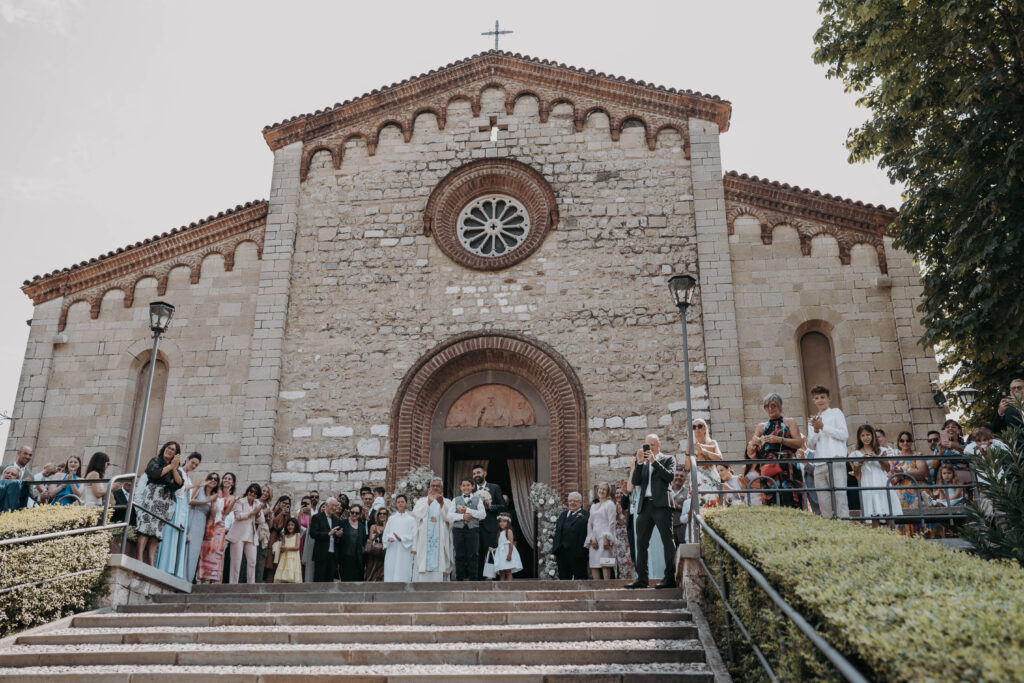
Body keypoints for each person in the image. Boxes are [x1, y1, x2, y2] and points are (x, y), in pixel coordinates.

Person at [625, 434, 677, 590]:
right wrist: (640, 463)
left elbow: (669, 477)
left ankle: (669, 577)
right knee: (641, 543)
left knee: (667, 541)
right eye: (647, 445)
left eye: (653, 445)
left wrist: (654, 461)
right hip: (645, 505)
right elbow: (635, 482)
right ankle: (642, 578)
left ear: (659, 444)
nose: (650, 448)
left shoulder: (668, 459)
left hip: (661, 505)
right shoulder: (645, 463)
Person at [749, 393, 804, 508]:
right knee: (771, 500)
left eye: (773, 405)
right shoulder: (761, 427)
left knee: (791, 500)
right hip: (768, 468)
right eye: (766, 406)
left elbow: (799, 443)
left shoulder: (790, 422)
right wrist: (754, 442)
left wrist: (779, 440)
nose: (770, 409)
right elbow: (752, 449)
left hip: (788, 466)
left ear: (780, 406)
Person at [136, 442, 183, 566]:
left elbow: (179, 483)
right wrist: (170, 466)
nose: (170, 451)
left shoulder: (176, 468)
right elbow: (154, 473)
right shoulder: (155, 461)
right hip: (152, 496)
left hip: (165, 501)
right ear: (164, 448)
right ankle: (139, 558)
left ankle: (151, 562)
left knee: (156, 532)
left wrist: (173, 467)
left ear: (176, 454)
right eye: (169, 448)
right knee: (145, 527)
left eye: (173, 450)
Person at [806, 385, 850, 519]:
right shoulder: (813, 420)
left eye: (822, 397)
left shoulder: (836, 413)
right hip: (819, 463)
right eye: (816, 398)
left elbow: (843, 435)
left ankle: (845, 527)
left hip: (835, 460)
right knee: (823, 500)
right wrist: (815, 429)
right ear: (813, 401)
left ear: (829, 398)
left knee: (840, 497)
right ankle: (830, 529)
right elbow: (810, 445)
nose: (820, 400)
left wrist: (823, 426)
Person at [155, 451, 201, 577]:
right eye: (193, 463)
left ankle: (174, 569)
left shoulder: (188, 477)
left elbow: (189, 498)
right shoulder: (178, 471)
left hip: (184, 509)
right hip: (175, 505)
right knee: (170, 534)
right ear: (187, 459)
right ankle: (165, 567)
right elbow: (178, 489)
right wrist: (193, 486)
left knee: (178, 538)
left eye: (196, 465)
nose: (194, 466)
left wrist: (196, 487)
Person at [851, 425, 902, 528]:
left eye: (868, 434)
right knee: (874, 514)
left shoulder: (882, 450)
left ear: (873, 435)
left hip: (881, 482)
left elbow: (887, 468)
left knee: (888, 512)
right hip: (868, 484)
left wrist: (877, 458)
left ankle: (893, 538)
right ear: (859, 438)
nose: (866, 437)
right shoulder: (855, 454)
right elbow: (857, 475)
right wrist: (860, 463)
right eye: (863, 435)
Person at [196, 472, 235, 583]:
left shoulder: (232, 498)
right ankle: (203, 576)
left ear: (233, 482)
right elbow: (213, 509)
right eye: (225, 478)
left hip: (221, 525)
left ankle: (213, 577)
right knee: (207, 549)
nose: (227, 480)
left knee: (217, 552)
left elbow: (226, 513)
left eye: (229, 479)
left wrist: (232, 501)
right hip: (211, 522)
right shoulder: (217, 492)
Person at [413, 478, 454, 581]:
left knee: (441, 560)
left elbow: (450, 518)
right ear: (430, 487)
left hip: (441, 538)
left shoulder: (447, 501)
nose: (435, 488)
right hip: (425, 538)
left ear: (441, 488)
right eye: (433, 486)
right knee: (423, 559)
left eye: (438, 486)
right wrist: (428, 503)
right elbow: (416, 515)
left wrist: (442, 505)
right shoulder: (422, 501)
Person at [226, 483, 266, 584]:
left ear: (257, 495)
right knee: (236, 562)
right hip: (238, 535)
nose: (252, 494)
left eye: (255, 493)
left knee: (252, 561)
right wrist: (252, 513)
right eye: (251, 491)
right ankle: (233, 584)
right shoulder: (240, 501)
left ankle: (251, 584)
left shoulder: (257, 503)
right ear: (248, 490)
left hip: (251, 535)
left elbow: (261, 521)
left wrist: (259, 512)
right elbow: (238, 516)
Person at [471, 464, 506, 577]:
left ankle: (492, 578)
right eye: (474, 473)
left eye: (478, 472)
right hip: (474, 526)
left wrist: (490, 507)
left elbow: (503, 506)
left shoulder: (494, 487)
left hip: (490, 526)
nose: (476, 475)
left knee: (491, 553)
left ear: (484, 474)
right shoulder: (471, 489)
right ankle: (477, 580)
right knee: (476, 553)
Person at [448, 478, 486, 581]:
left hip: (473, 529)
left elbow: (483, 515)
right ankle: (459, 578)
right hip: (458, 529)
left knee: (473, 554)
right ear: (460, 487)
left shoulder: (478, 500)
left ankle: (473, 578)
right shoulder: (455, 500)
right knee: (459, 554)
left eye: (468, 485)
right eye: (463, 485)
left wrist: (469, 511)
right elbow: (449, 516)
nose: (466, 487)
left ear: (473, 487)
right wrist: (462, 517)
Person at [186, 472, 219, 583]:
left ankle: (188, 578)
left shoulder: (213, 496)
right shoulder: (200, 489)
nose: (213, 480)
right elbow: (190, 500)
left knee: (194, 550)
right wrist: (206, 500)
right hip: (193, 517)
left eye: (216, 479)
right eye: (211, 478)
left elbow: (213, 515)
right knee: (187, 546)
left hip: (202, 523)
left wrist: (213, 503)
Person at [682, 419, 723, 508]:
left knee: (712, 503)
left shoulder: (712, 443)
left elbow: (719, 458)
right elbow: (688, 467)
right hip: (697, 478)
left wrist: (703, 451)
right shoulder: (690, 445)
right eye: (693, 427)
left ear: (705, 429)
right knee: (696, 507)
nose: (697, 429)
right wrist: (688, 448)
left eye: (700, 426)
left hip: (710, 477)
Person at [552, 491, 589, 580]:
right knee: (564, 580)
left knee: (580, 580)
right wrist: (555, 550)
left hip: (578, 553)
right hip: (562, 553)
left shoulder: (586, 515)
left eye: (575, 501)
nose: (572, 503)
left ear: (580, 503)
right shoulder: (563, 515)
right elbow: (558, 533)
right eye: (570, 501)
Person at [585, 482, 617, 580]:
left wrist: (607, 538)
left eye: (604, 489)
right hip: (594, 537)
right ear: (597, 490)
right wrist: (592, 539)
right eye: (600, 489)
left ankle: (606, 587)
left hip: (604, 537)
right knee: (594, 564)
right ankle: (596, 587)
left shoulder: (610, 504)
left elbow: (612, 523)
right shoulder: (593, 506)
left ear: (607, 492)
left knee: (605, 563)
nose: (601, 491)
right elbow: (590, 524)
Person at [383, 493, 416, 582]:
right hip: (392, 548)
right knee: (391, 569)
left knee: (403, 569)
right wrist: (388, 539)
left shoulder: (411, 520)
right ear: (396, 504)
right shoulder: (391, 519)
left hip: (404, 549)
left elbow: (414, 535)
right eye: (398, 502)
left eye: (402, 502)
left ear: (406, 504)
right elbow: (385, 534)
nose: (400, 504)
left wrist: (402, 538)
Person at [309, 497, 343, 582]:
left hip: (333, 555)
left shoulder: (336, 520)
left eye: (336, 506)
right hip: (321, 553)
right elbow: (313, 534)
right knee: (319, 579)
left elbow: (336, 539)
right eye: (332, 505)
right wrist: (328, 534)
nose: (334, 508)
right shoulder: (317, 517)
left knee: (330, 580)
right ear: (326, 505)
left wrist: (338, 536)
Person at [264, 495, 291, 581]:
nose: (285, 505)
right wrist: (281, 514)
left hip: (283, 541)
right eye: (283, 503)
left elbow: (288, 528)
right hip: (273, 539)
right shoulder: (273, 512)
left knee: (280, 566)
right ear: (279, 503)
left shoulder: (288, 515)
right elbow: (272, 526)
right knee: (270, 565)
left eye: (287, 504)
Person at [339, 503, 367, 581]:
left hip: (357, 559)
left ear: (360, 514)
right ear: (349, 512)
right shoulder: (343, 523)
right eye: (352, 512)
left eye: (357, 513)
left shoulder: (362, 526)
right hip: (345, 558)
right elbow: (337, 540)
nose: (354, 514)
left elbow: (364, 541)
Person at [491, 512, 522, 581]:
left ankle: (509, 587)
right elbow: (501, 545)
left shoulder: (509, 531)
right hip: (501, 555)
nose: (502, 523)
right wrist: (494, 549)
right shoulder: (499, 532)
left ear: (508, 522)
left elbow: (511, 544)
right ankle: (502, 588)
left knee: (508, 571)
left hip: (507, 553)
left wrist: (509, 555)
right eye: (500, 522)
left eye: (504, 521)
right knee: (501, 571)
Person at [612, 491, 635, 581]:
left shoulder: (629, 506)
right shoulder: (612, 507)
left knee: (630, 561)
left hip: (628, 539)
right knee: (619, 563)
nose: (619, 495)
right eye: (617, 493)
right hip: (617, 540)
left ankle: (632, 580)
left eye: (621, 493)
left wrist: (621, 514)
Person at [274, 517, 303, 583]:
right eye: (289, 525)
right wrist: (281, 548)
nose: (290, 527)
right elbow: (283, 545)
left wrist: (287, 548)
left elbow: (297, 547)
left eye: (292, 525)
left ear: (295, 526)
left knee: (292, 571)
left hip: (293, 557)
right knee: (284, 571)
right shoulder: (285, 535)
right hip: (285, 557)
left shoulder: (297, 534)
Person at [363, 508, 387, 581]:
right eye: (380, 513)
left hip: (384, 555)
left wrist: (385, 526)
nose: (382, 515)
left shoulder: (389, 527)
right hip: (374, 554)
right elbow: (371, 540)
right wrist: (377, 534)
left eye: (384, 514)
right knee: (372, 575)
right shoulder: (374, 526)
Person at [668, 471, 689, 544]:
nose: (678, 477)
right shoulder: (666, 490)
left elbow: (690, 510)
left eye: (681, 476)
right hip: (667, 526)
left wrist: (678, 506)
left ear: (685, 479)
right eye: (676, 475)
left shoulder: (688, 492)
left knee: (682, 550)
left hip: (681, 527)